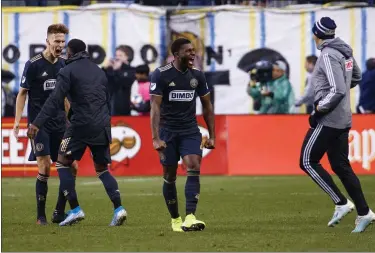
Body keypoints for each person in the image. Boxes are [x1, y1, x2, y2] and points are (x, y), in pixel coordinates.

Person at [27, 39, 127, 227]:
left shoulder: (67, 71)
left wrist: (36, 123)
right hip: (102, 124)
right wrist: (106, 124)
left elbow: (55, 100)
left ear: (71, 54)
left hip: (80, 125)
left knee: (62, 162)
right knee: (102, 169)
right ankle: (118, 208)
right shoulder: (99, 71)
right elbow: (107, 100)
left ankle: (74, 210)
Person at [299, 16, 374, 233]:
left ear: (317, 34)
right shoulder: (344, 51)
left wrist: (320, 108)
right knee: (341, 165)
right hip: (343, 118)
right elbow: (356, 77)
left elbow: (338, 89)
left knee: (307, 160)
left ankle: (341, 203)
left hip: (329, 118)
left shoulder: (328, 54)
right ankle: (364, 212)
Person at [13, 24, 78, 225]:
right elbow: (22, 93)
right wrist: (17, 122)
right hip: (38, 124)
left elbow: (65, 96)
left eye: (62, 42)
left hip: (60, 123)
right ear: (47, 41)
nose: (60, 45)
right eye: (56, 41)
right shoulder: (33, 65)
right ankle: (41, 216)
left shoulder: (64, 65)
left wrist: (72, 119)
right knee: (46, 166)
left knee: (72, 166)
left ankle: (59, 211)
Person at [150, 38, 215, 232]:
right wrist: (155, 137)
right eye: (188, 51)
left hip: (189, 130)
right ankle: (175, 219)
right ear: (176, 54)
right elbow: (155, 106)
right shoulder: (160, 75)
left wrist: (211, 135)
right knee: (169, 175)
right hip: (167, 131)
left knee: (194, 165)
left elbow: (207, 106)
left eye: (194, 51)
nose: (192, 54)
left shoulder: (198, 76)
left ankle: (190, 216)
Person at [102, 45, 136, 116]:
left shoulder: (132, 70)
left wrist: (116, 71)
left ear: (127, 57)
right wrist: (105, 69)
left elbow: (123, 82)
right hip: (110, 106)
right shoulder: (110, 70)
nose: (117, 58)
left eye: (120, 55)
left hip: (124, 107)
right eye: (116, 55)